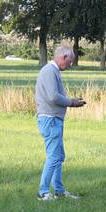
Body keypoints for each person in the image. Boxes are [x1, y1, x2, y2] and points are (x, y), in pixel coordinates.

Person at [35, 46, 86, 200]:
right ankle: (43, 192)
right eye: (69, 62)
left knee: (58, 156)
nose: (69, 65)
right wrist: (71, 102)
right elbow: (54, 97)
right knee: (53, 157)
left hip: (54, 119)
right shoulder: (50, 71)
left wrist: (71, 101)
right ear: (63, 57)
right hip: (50, 120)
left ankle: (59, 190)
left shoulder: (53, 71)